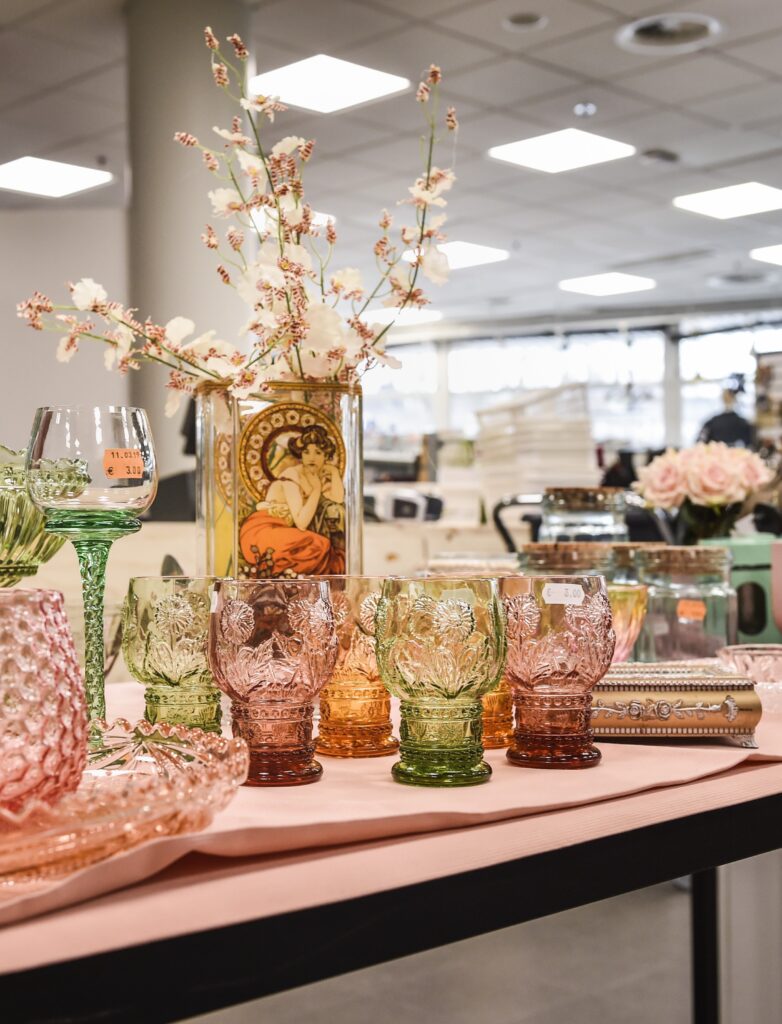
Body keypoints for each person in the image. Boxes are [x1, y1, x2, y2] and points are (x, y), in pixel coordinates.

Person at [240, 424, 345, 576]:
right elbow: (301, 522)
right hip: (262, 533)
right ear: (300, 454)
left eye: (318, 452)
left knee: (323, 548)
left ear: (326, 456)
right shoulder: (291, 476)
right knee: (320, 545)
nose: (311, 457)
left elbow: (338, 499)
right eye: (306, 452)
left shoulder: (314, 475)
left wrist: (334, 472)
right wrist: (316, 490)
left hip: (283, 532)